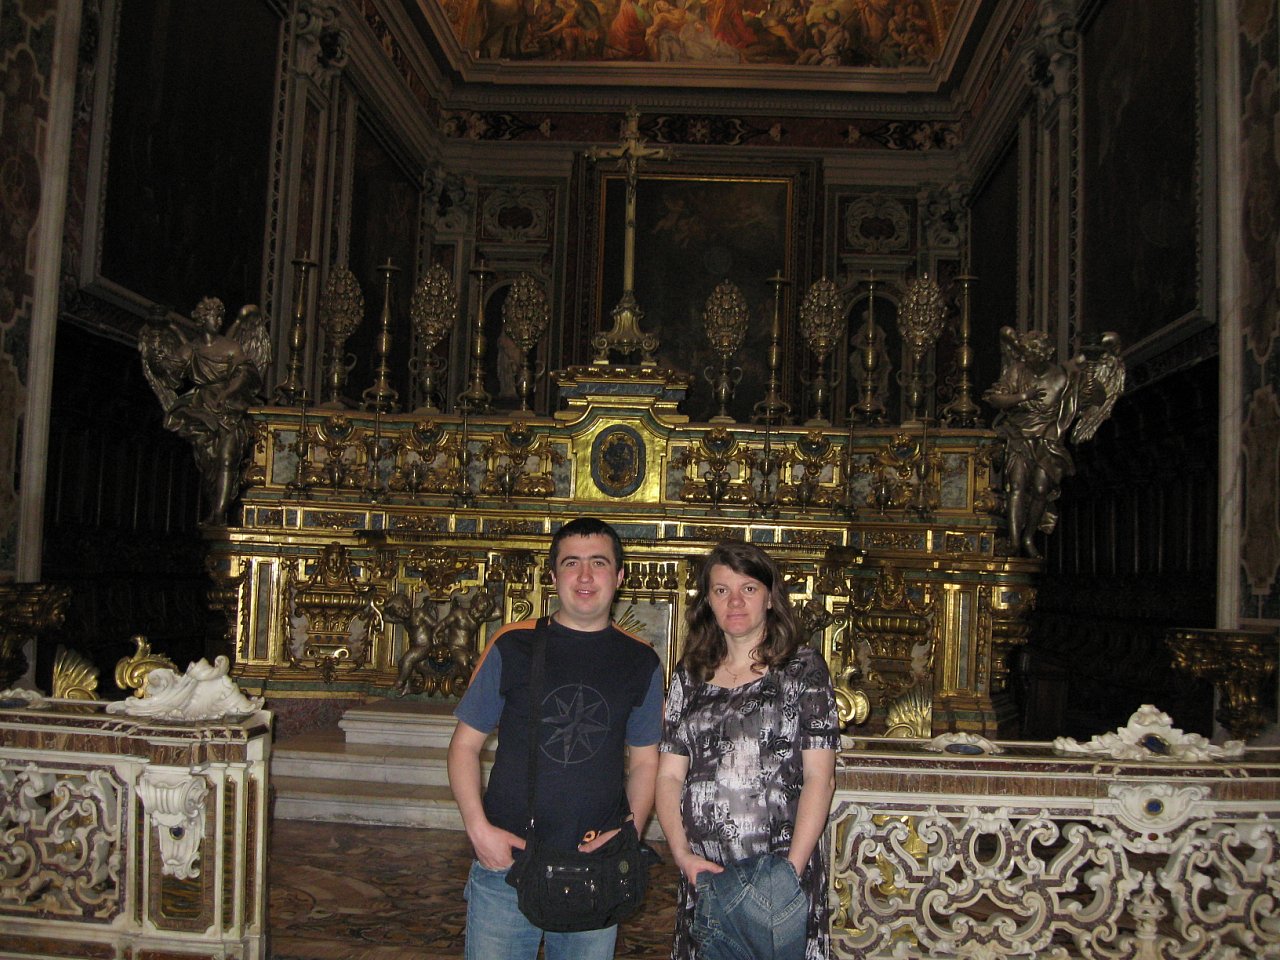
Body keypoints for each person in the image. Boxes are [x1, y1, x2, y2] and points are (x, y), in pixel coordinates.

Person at [448, 517, 664, 960]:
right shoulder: (512, 645)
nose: (585, 576)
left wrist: (628, 831)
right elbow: (464, 745)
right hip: (507, 861)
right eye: (571, 563)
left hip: (595, 863)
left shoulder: (640, 660)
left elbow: (646, 761)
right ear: (553, 576)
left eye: (598, 563)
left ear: (619, 577)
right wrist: (478, 829)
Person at [656, 541, 839, 960]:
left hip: (778, 867)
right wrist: (682, 856)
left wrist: (788, 874)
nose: (734, 601)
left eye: (748, 589)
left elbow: (820, 777)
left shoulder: (802, 669)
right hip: (705, 872)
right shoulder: (689, 674)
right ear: (708, 601)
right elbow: (669, 775)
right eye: (721, 590)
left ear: (770, 597)